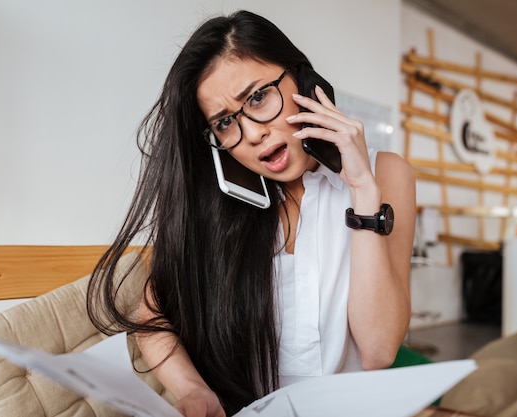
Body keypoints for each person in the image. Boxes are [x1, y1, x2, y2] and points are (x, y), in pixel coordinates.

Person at [87, 9, 416, 417]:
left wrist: (363, 191)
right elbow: (152, 312)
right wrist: (193, 390)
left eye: (258, 97)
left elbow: (380, 351)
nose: (253, 132)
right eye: (226, 122)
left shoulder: (385, 174)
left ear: (303, 79)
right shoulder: (222, 202)